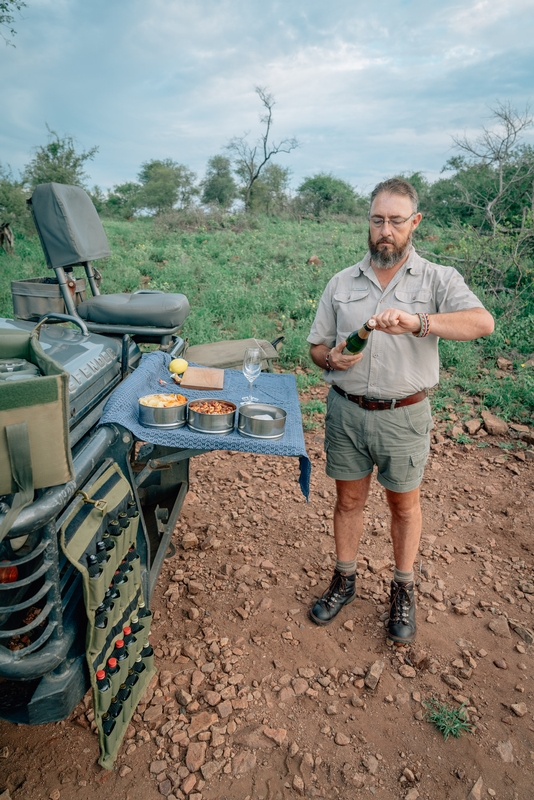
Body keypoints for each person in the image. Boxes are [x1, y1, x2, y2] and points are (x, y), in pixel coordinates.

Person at [307, 177, 494, 643]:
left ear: (414, 223)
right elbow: (314, 347)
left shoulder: (438, 279)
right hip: (346, 410)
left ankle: (403, 589)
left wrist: (419, 322)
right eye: (377, 220)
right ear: (368, 223)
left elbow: (481, 322)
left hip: (404, 414)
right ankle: (345, 580)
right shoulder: (342, 282)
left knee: (404, 507)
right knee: (348, 500)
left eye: (395, 220)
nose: (385, 230)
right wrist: (331, 358)